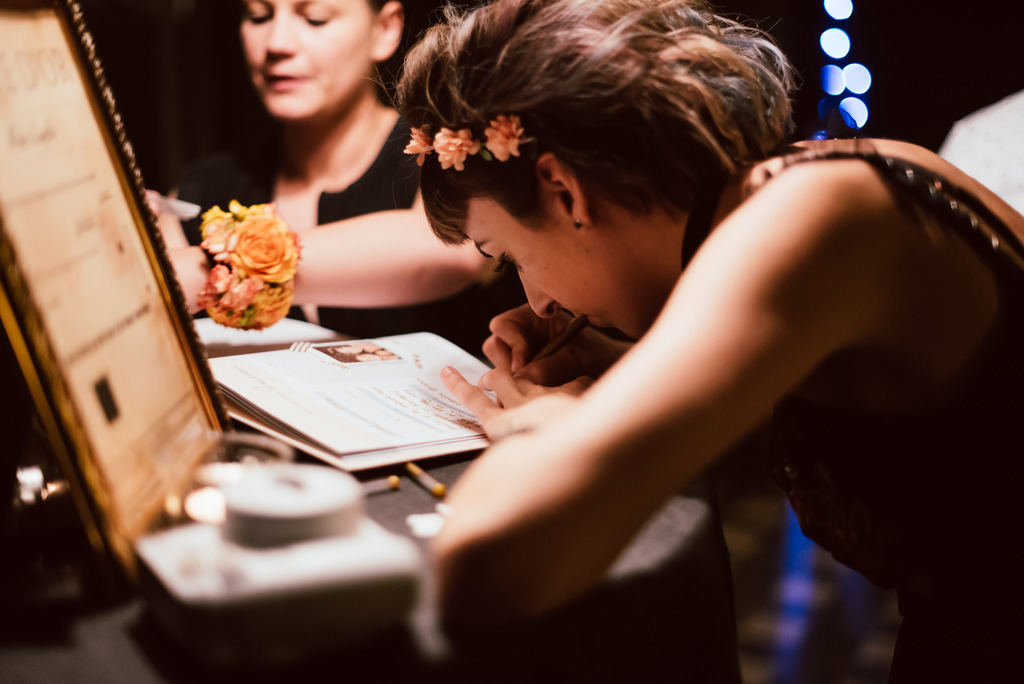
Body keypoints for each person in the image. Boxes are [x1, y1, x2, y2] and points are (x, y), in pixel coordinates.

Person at [394, 0, 1024, 680]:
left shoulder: (814, 217)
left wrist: (544, 428)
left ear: (564, 190)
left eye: (511, 256)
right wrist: (615, 359)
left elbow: (488, 568)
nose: (537, 302)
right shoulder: (789, 192)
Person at [157, 0, 523, 352]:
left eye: (315, 18)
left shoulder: (445, 150)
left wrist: (210, 268)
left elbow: (451, 248)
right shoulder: (203, 188)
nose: (277, 43)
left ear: (385, 28)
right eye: (258, 16)